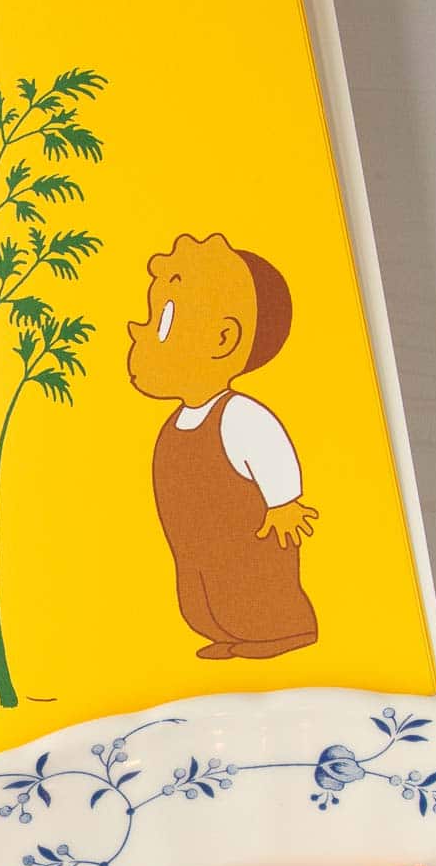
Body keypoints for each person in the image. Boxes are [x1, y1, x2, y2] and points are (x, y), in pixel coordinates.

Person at [128, 232, 318, 659]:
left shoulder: (238, 416)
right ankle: (225, 632)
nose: (142, 334)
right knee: (204, 598)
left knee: (250, 593)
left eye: (164, 322)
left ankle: (282, 632)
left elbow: (273, 453)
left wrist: (284, 504)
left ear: (222, 339)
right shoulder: (176, 424)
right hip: (198, 562)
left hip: (250, 552)